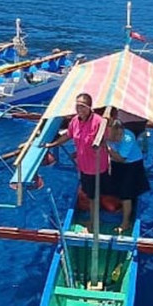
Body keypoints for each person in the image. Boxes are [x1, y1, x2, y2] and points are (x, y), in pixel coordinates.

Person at [44, 93, 110, 233]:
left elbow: (108, 140)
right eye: (77, 105)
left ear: (90, 107)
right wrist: (53, 144)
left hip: (96, 167)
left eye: (82, 106)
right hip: (83, 166)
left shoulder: (98, 122)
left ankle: (93, 223)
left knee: (93, 196)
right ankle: (95, 218)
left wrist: (99, 144)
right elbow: (68, 135)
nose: (79, 108)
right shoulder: (75, 120)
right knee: (91, 194)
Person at [105, 119, 150, 233]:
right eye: (116, 134)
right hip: (117, 164)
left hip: (131, 165)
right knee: (118, 188)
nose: (119, 137)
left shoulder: (128, 138)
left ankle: (126, 223)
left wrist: (107, 148)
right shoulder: (106, 135)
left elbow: (121, 158)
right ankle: (124, 209)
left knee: (126, 194)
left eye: (121, 134)